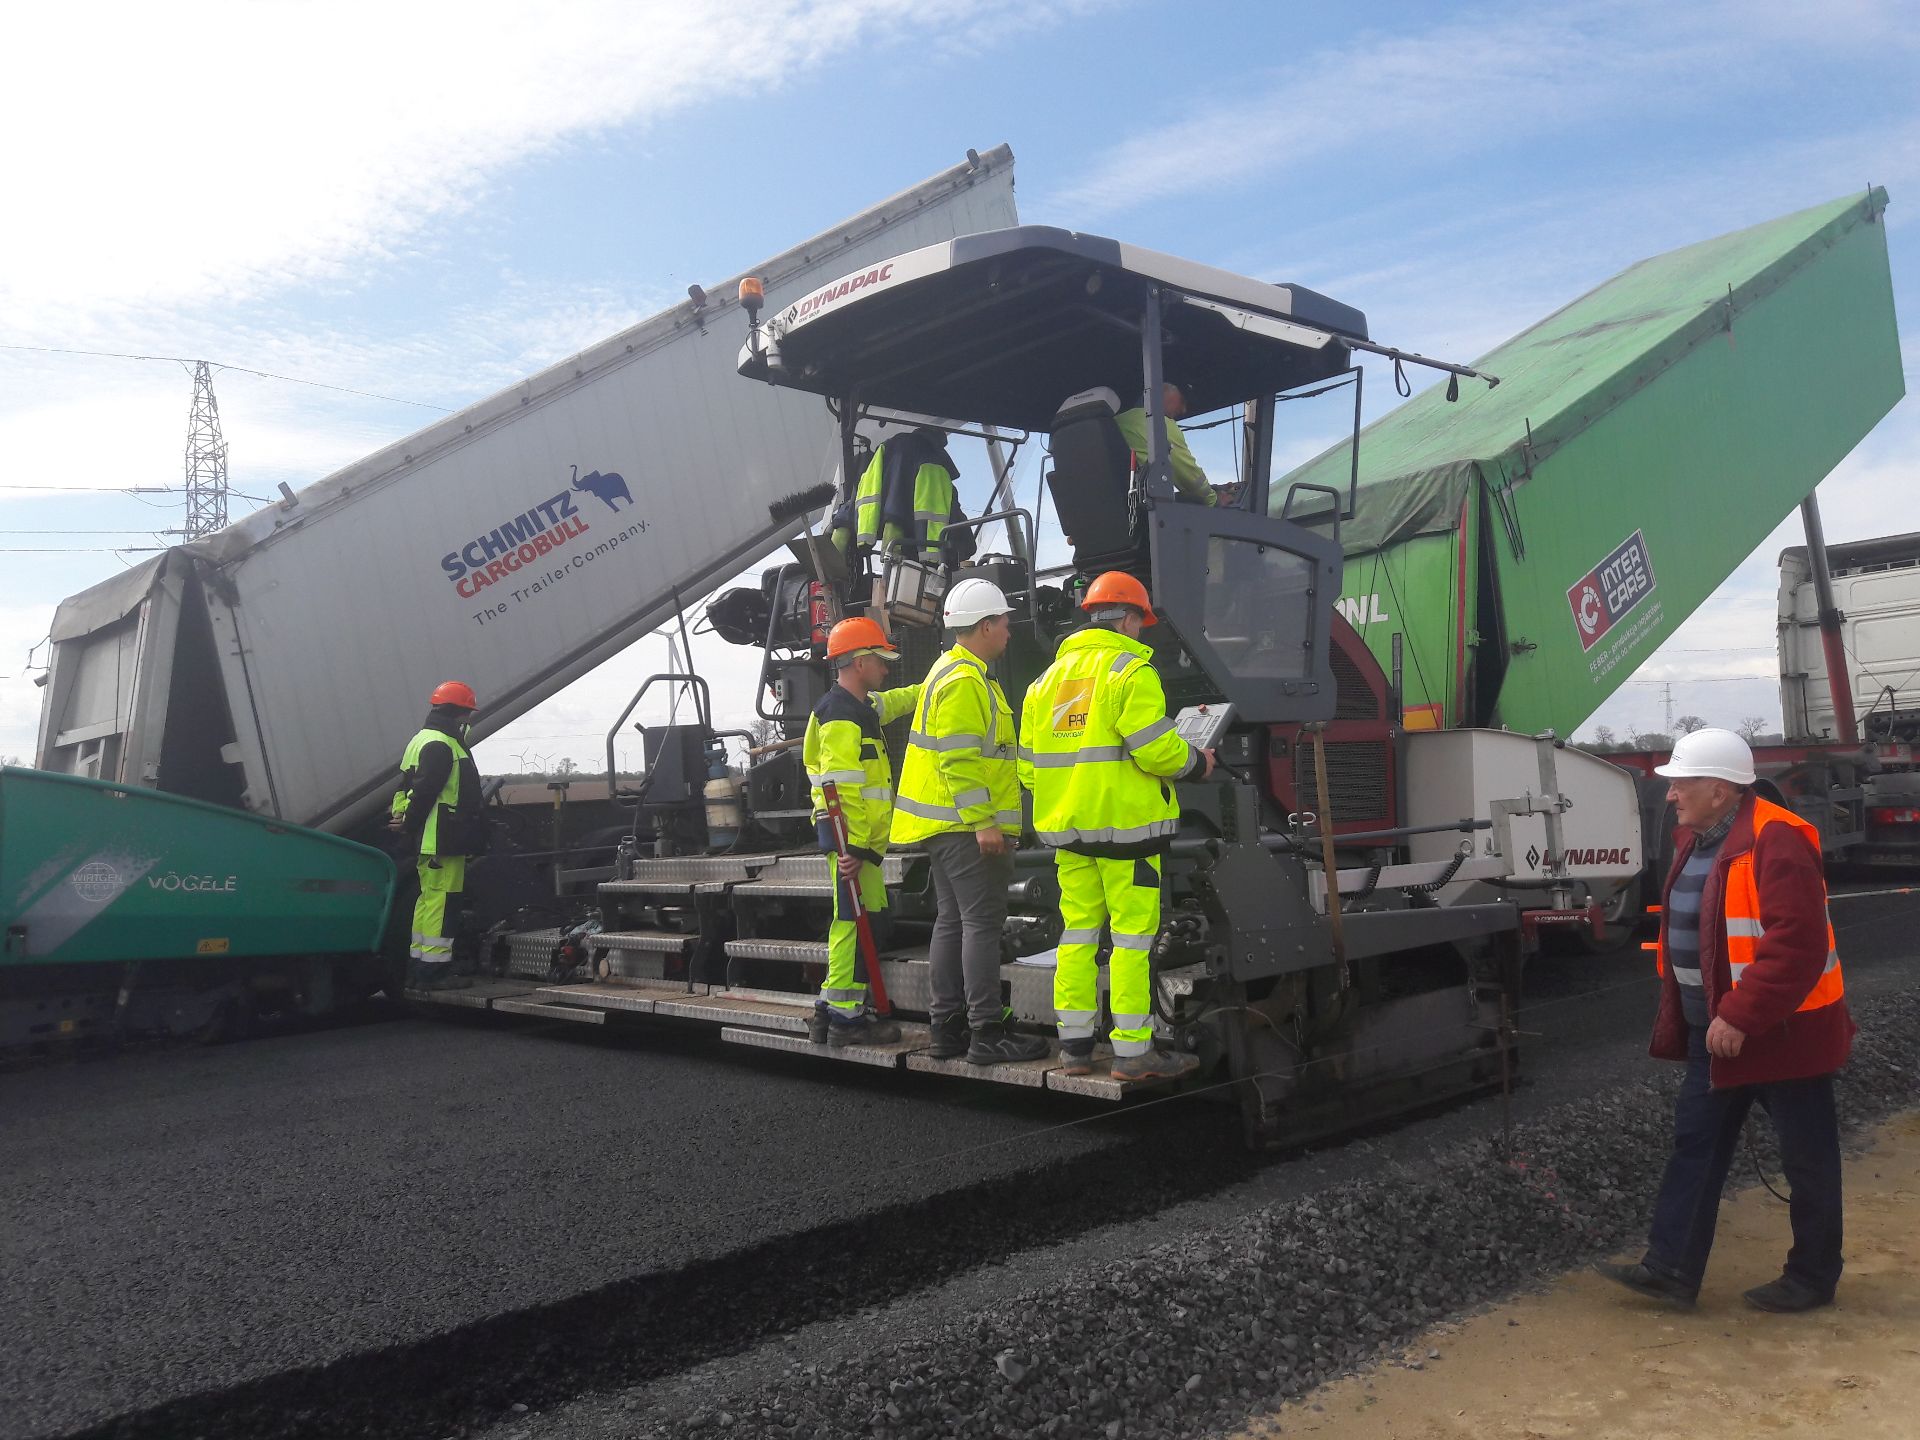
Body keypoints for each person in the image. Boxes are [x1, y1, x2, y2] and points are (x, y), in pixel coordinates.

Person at [1594, 727, 1854, 1312]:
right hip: (1714, 1034)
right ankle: (1670, 1269)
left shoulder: (1777, 840)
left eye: (1680, 784)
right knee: (1697, 1144)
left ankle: (1813, 1278)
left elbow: (1796, 944)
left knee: (1807, 1158)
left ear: (1718, 789)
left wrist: (1738, 1014)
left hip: (1783, 1033)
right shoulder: (1697, 840)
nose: (1670, 795)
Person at [1017, 571, 1214, 1081]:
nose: (1141, 630)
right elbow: (1157, 751)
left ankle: (1075, 1048)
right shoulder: (1130, 672)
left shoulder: (1043, 684)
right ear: (1127, 619)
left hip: (1068, 836)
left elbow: (1028, 769)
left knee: (1077, 937)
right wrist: (1198, 762)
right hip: (1128, 836)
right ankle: (1132, 1052)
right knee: (1131, 941)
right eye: (1140, 621)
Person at [892, 578, 1049, 1065]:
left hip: (951, 826)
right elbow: (959, 761)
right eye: (1004, 622)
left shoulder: (953, 672)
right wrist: (984, 822)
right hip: (965, 828)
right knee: (980, 923)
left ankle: (948, 1027)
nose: (1009, 632)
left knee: (954, 921)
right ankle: (985, 1031)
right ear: (984, 626)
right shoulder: (964, 681)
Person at [803, 616, 921, 1046]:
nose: (886, 668)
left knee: (866, 919)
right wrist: (851, 847)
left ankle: (828, 1010)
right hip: (850, 840)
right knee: (854, 922)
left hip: (858, 841)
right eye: (880, 660)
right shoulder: (840, 715)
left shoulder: (859, 707)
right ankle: (845, 1020)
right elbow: (841, 788)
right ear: (858, 662)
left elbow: (895, 702)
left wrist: (931, 686)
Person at [389, 681, 489, 991]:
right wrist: (410, 822)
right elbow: (426, 791)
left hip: (429, 840)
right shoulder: (443, 745)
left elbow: (406, 787)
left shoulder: (422, 739)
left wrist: (402, 820)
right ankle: (433, 974)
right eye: (468, 713)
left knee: (428, 901)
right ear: (459, 712)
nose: (469, 719)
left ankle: (418, 968)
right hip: (444, 839)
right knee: (443, 904)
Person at [835, 426, 977, 566]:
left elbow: (852, 507)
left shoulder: (884, 452)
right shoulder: (935, 463)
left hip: (862, 546)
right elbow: (965, 540)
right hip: (917, 562)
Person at [1113, 382, 1216, 507]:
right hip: (1144, 511)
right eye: (1182, 401)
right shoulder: (1162, 425)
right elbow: (1190, 479)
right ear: (1162, 394)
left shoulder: (1116, 421)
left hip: (1116, 504)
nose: (1183, 410)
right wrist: (1214, 500)